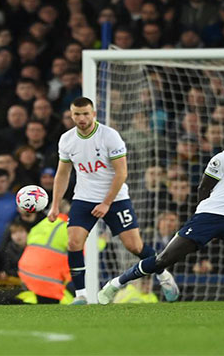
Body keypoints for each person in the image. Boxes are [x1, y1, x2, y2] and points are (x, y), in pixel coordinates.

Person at [98, 116, 224, 307]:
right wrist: (203, 217)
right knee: (163, 260)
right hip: (208, 217)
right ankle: (116, 283)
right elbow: (203, 188)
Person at [47, 97, 178, 304]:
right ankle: (81, 294)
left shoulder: (109, 136)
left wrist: (106, 203)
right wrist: (55, 205)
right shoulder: (67, 139)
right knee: (74, 242)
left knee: (134, 247)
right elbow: (62, 174)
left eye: (85, 114)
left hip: (115, 199)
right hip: (84, 198)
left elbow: (121, 173)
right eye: (77, 114)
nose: (81, 118)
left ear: (94, 114)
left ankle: (162, 274)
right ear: (71, 115)